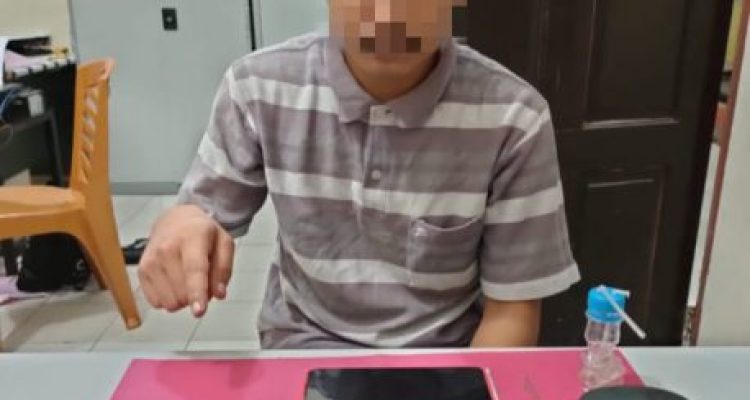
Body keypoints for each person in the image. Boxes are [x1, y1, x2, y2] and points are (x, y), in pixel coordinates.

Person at [139, 0, 580, 349]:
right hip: (305, 346)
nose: (387, 12)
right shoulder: (257, 87)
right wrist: (182, 225)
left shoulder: (514, 118)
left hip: (445, 360)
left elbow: (512, 310)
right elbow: (198, 215)